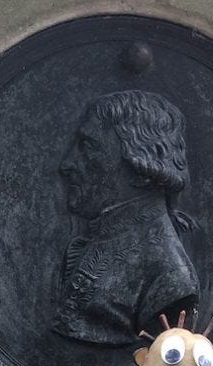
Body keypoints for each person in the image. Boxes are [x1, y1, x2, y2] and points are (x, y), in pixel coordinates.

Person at [51, 90, 199, 346]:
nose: (67, 164)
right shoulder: (97, 242)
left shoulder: (170, 277)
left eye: (88, 147)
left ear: (140, 168)